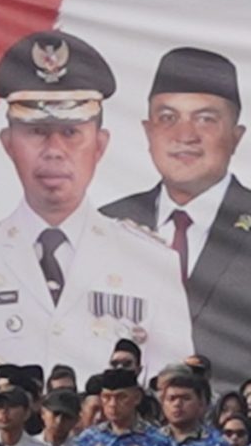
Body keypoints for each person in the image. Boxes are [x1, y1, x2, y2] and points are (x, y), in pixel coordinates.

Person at [0, 32, 195, 381]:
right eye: (36, 132)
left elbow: (174, 397)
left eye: (70, 132)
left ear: (100, 145)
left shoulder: (153, 264)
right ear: (8, 144)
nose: (53, 150)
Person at [101, 48, 251, 384]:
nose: (185, 135)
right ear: (148, 132)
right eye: (168, 117)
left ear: (236, 136)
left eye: (206, 119)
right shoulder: (105, 225)